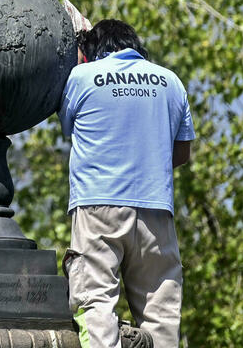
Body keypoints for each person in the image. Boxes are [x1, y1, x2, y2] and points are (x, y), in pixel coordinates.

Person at [59, 20, 196, 348]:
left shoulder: (82, 77)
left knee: (95, 304)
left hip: (98, 208)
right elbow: (181, 153)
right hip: (155, 213)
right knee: (162, 312)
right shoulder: (171, 82)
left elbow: (68, 125)